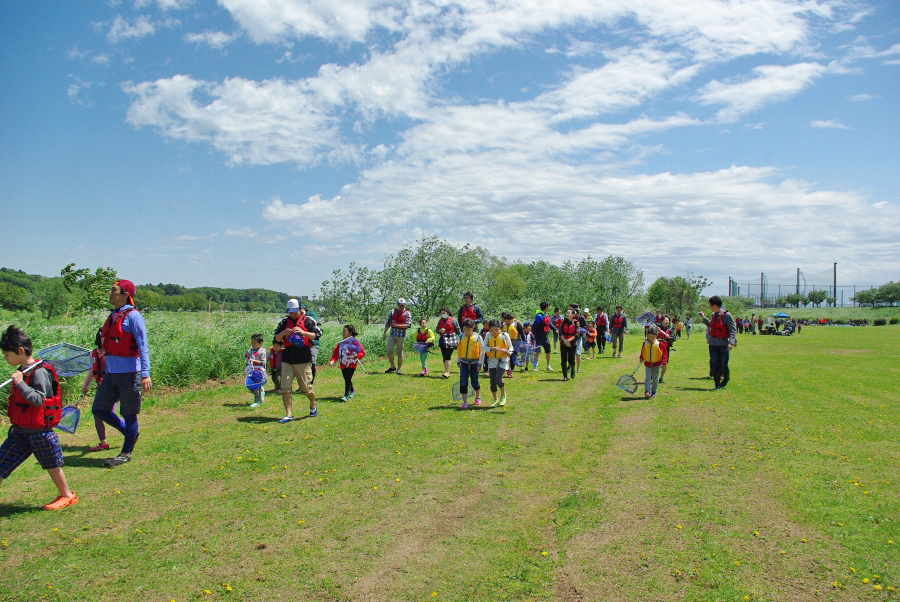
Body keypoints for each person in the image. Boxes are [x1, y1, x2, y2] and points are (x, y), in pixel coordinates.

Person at [0, 325, 77, 509]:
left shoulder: (39, 372)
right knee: (1, 462)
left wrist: (19, 383)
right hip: (20, 431)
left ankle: (67, 495)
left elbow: (38, 399)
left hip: (40, 432)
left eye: (7, 354)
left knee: (52, 464)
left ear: (20, 351)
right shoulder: (23, 371)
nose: (5, 358)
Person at [93, 280, 151, 467]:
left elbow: (143, 347)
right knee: (99, 409)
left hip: (130, 374)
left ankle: (125, 453)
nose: (110, 293)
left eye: (114, 290)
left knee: (129, 414)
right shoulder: (112, 316)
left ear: (125, 295)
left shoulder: (134, 317)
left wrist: (145, 374)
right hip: (111, 374)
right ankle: (130, 433)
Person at [274, 298, 321, 422]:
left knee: (306, 388)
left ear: (300, 309)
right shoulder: (284, 322)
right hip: (287, 358)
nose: (292, 314)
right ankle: (288, 414)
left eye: (294, 312)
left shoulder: (308, 321)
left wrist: (303, 332)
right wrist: (284, 333)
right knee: (286, 387)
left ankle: (312, 405)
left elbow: (317, 335)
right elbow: (277, 339)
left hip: (303, 358)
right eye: (290, 312)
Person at [81, 328, 112, 452]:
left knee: (109, 414)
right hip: (101, 388)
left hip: (112, 387)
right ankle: (103, 442)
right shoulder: (93, 353)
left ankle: (130, 432)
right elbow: (92, 370)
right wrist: (85, 386)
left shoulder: (111, 352)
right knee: (97, 414)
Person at [699, 295, 737, 390]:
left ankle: (726, 377)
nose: (709, 307)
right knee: (714, 364)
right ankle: (717, 384)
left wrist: (731, 342)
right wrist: (703, 318)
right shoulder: (713, 315)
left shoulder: (727, 316)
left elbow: (733, 329)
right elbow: (711, 326)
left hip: (723, 344)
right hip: (713, 344)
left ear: (715, 305)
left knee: (723, 365)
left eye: (710, 305)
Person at [329, 325, 365, 402]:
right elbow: (336, 353)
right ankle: (352, 391)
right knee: (346, 378)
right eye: (343, 331)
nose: (343, 333)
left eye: (344, 332)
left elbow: (362, 352)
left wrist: (357, 355)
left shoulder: (355, 342)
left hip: (352, 363)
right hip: (343, 363)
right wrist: (333, 360)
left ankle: (345, 396)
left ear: (350, 333)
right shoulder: (341, 343)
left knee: (348, 378)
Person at [484, 319, 512, 407]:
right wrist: (491, 349)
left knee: (498, 379)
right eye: (492, 330)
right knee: (492, 381)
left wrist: (506, 351)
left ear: (500, 328)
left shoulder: (505, 335)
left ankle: (503, 396)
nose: (494, 332)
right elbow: (484, 347)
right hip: (492, 360)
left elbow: (511, 348)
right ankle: (495, 400)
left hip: (503, 360)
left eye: (496, 330)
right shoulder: (488, 335)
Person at [456, 319, 483, 409]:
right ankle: (465, 402)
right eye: (464, 330)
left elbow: (482, 351)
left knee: (474, 381)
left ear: (473, 328)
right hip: (463, 362)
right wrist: (458, 360)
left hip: (475, 363)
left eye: (468, 329)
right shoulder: (461, 336)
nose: (466, 332)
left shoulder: (478, 337)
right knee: (463, 381)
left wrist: (480, 363)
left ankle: (478, 396)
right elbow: (459, 349)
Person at [382, 298, 412, 374]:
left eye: (402, 305)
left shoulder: (407, 313)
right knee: (389, 350)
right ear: (397, 305)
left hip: (401, 335)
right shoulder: (392, 312)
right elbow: (388, 323)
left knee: (400, 352)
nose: (401, 306)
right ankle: (392, 366)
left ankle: (399, 369)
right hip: (392, 334)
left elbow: (408, 325)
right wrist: (384, 333)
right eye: (400, 305)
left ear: (405, 305)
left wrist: (398, 325)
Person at [639, 325, 663, 399]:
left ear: (656, 336)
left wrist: (663, 362)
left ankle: (654, 392)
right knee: (648, 378)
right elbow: (643, 351)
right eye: (649, 336)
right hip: (648, 364)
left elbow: (664, 354)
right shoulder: (645, 343)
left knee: (655, 379)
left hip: (657, 364)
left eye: (653, 337)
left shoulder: (660, 344)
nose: (651, 338)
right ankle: (647, 391)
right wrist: (641, 357)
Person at [436, 307, 459, 379]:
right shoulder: (440, 321)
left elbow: (458, 330)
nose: (443, 315)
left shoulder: (454, 320)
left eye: (444, 313)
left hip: (451, 340)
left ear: (448, 313)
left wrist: (461, 339)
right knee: (444, 357)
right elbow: (437, 330)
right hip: (443, 341)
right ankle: (447, 371)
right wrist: (440, 330)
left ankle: (447, 372)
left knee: (447, 356)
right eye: (442, 313)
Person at [246, 334, 267, 408]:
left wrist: (254, 360)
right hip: (251, 370)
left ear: (260, 343)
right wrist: (247, 355)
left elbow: (263, 362)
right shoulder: (251, 350)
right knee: (250, 386)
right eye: (252, 342)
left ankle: (257, 401)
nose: (253, 344)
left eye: (255, 343)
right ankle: (261, 394)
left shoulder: (262, 351)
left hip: (259, 371)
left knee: (256, 386)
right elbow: (247, 357)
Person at [532, 301, 554, 371]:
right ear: (546, 307)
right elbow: (535, 326)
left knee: (548, 351)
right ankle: (535, 366)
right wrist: (533, 336)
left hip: (545, 337)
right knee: (537, 352)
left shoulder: (546, 315)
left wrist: (555, 329)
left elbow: (550, 325)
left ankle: (548, 366)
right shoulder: (539, 316)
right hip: (539, 337)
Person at [559, 308, 578, 381]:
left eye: (569, 313)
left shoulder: (576, 323)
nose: (567, 314)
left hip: (572, 344)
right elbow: (560, 332)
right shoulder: (563, 322)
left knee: (571, 359)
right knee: (563, 359)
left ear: (573, 315)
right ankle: (565, 376)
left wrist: (569, 340)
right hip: (564, 343)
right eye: (567, 313)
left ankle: (572, 369)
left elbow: (577, 334)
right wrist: (565, 341)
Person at [501, 312, 521, 377]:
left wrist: (523, 343)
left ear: (512, 319)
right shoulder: (502, 325)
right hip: (505, 342)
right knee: (505, 356)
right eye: (506, 321)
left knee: (513, 357)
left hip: (514, 342)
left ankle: (510, 372)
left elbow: (522, 334)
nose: (507, 323)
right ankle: (506, 368)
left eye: (508, 321)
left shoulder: (517, 324)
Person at [657, 315, 674, 384]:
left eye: (668, 321)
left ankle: (661, 377)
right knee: (656, 362)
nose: (667, 322)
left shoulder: (670, 330)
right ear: (661, 321)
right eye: (665, 321)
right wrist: (658, 333)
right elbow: (651, 337)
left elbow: (673, 338)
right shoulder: (657, 328)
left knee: (664, 363)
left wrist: (669, 337)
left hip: (666, 349)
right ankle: (654, 375)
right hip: (657, 348)